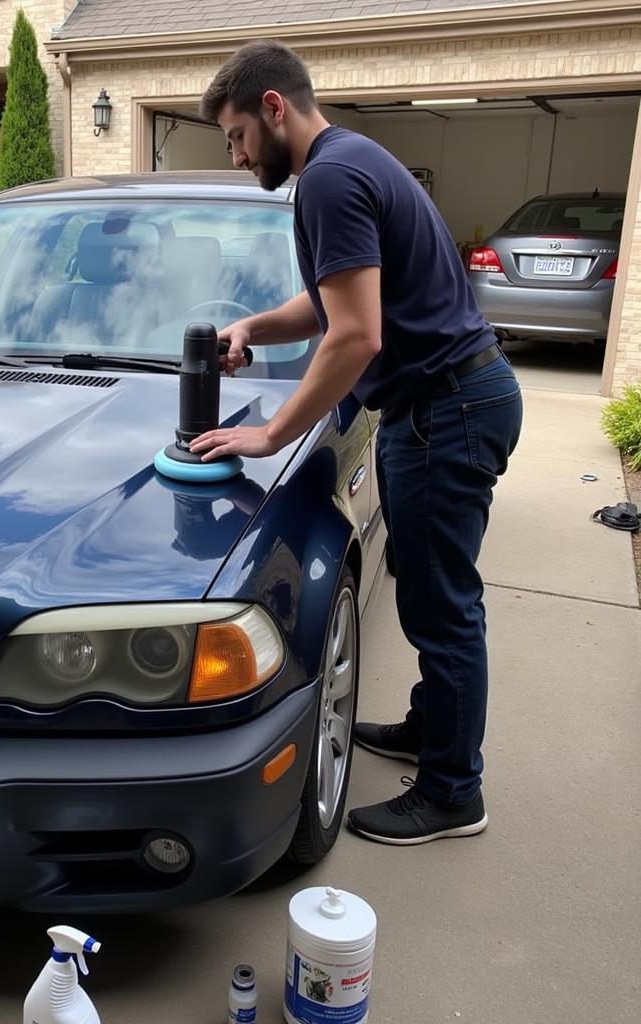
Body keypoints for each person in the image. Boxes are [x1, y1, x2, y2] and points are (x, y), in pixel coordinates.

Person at [193, 41, 523, 845]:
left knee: (444, 609)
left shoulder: (330, 179)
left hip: (447, 411)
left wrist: (272, 430)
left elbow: (356, 336)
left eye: (236, 136)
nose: (237, 157)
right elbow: (327, 301)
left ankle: (453, 792)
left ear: (275, 107)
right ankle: (431, 730)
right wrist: (254, 327)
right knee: (426, 589)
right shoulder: (349, 163)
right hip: (448, 405)